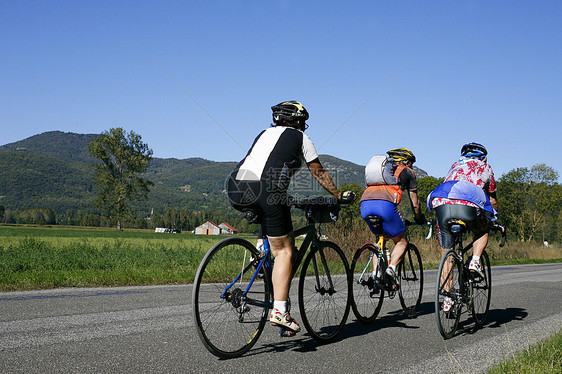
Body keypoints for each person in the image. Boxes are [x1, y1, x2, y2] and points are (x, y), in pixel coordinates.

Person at [227, 100, 355, 334]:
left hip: (236, 186)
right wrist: (337, 195)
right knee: (285, 250)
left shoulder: (264, 133)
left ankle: (261, 253)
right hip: (267, 189)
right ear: (299, 121)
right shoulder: (301, 137)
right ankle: (279, 310)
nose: (304, 125)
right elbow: (317, 171)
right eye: (304, 121)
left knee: (272, 230)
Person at [427, 142, 498, 312]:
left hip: (442, 202)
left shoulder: (455, 165)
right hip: (468, 203)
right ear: (483, 157)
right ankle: (475, 261)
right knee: (482, 231)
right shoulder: (486, 167)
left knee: (447, 254)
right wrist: (494, 219)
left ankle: (447, 299)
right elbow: (492, 199)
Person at [360, 148, 426, 289]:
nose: (412, 166)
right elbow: (415, 204)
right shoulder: (407, 172)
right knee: (402, 240)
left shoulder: (381, 172)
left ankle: (375, 274)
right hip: (385, 206)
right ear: (407, 161)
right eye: (412, 163)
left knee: (380, 240)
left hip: (365, 203)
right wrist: (419, 218)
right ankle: (391, 269)